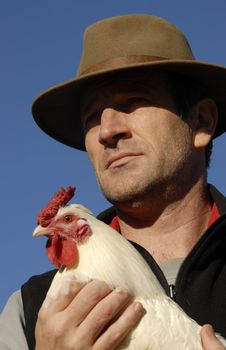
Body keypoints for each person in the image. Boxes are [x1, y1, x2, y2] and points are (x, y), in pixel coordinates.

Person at [1, 14, 226, 350]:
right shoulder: (28, 310)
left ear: (200, 121)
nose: (107, 130)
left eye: (133, 102)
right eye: (92, 117)